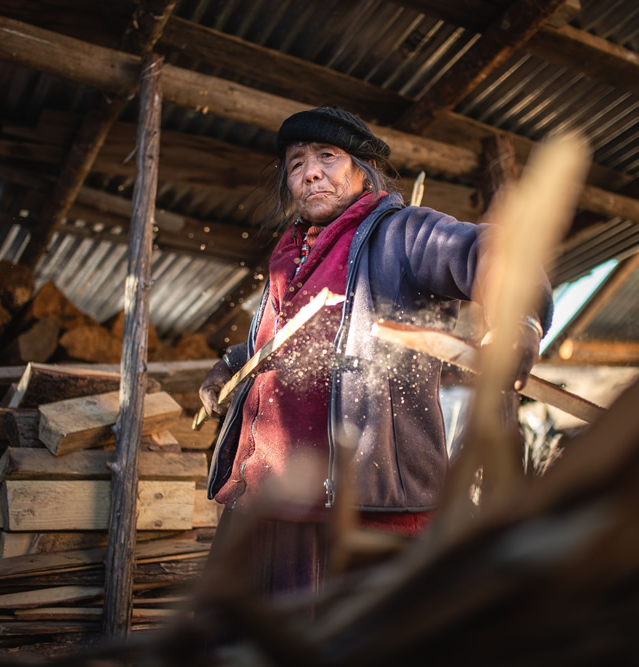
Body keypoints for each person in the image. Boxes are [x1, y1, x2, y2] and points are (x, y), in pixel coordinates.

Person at [198, 106, 552, 597]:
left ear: (363, 173)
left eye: (327, 156)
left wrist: (520, 317)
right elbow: (285, 344)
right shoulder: (288, 255)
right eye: (297, 163)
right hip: (261, 503)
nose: (311, 171)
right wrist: (233, 365)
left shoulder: (401, 235)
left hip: (359, 509)